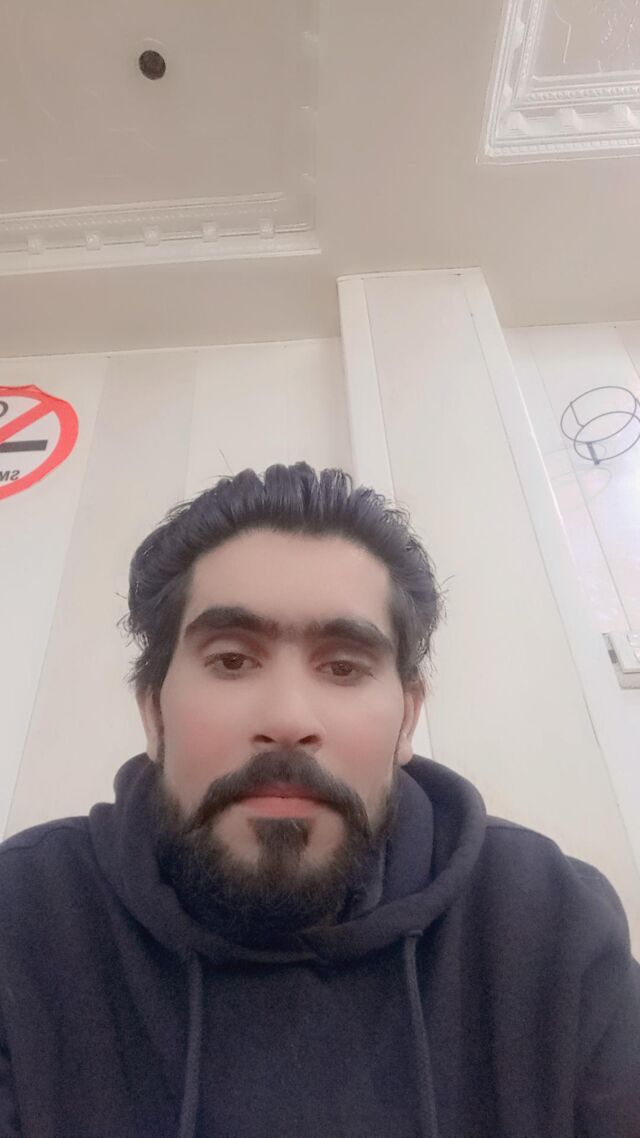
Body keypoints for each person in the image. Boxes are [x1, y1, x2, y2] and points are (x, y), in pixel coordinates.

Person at [0, 461, 638, 1138]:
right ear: (153, 712)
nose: (287, 718)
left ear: (406, 720)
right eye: (232, 660)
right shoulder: (24, 916)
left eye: (343, 667)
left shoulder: (548, 922)